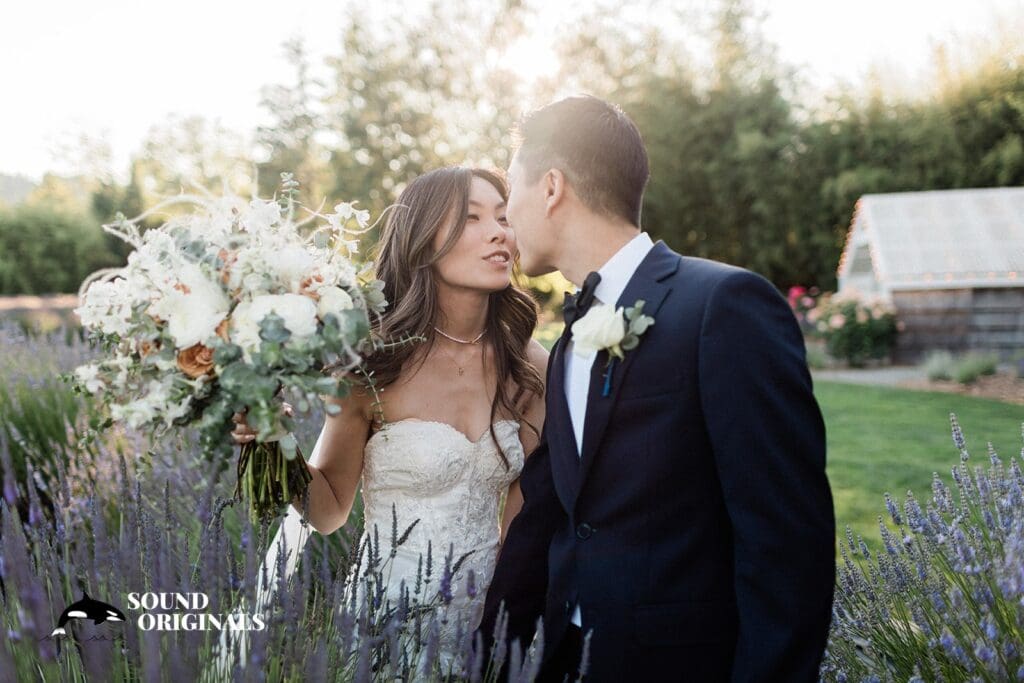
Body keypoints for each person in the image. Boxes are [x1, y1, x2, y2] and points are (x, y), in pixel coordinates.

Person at [478, 95, 836, 682]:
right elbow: (553, 513)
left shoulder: (722, 306)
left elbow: (787, 545)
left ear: (550, 187)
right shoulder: (566, 342)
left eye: (510, 192)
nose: (505, 218)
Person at [231, 166, 548, 676]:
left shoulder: (528, 365)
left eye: (504, 217)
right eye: (471, 218)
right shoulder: (371, 364)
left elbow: (524, 527)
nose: (499, 232)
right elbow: (330, 508)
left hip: (491, 624)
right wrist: (273, 443)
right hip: (387, 627)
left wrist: (501, 633)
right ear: (423, 243)